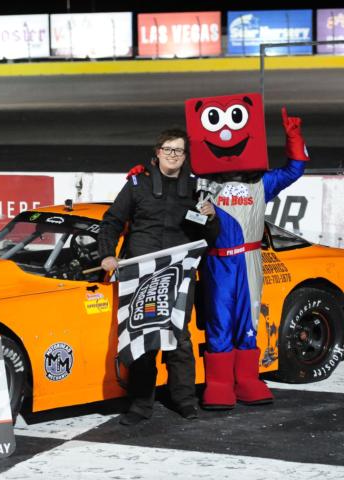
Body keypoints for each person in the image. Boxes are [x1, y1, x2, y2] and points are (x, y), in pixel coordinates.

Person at [183, 95, 310, 409]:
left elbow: (294, 170)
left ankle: (248, 379)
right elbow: (170, 186)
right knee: (219, 320)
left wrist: (293, 138)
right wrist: (142, 178)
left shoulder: (262, 183)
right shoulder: (203, 183)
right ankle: (219, 383)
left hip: (251, 260)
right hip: (217, 262)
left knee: (249, 318)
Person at [98, 128, 219, 426]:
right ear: (157, 152)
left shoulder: (197, 189)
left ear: (185, 156)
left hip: (178, 274)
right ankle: (140, 405)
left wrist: (212, 216)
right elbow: (112, 221)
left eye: (179, 150)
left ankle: (186, 401)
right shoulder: (137, 184)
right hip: (141, 274)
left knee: (180, 337)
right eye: (168, 149)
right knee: (143, 337)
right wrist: (107, 254)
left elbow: (211, 237)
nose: (173, 155)